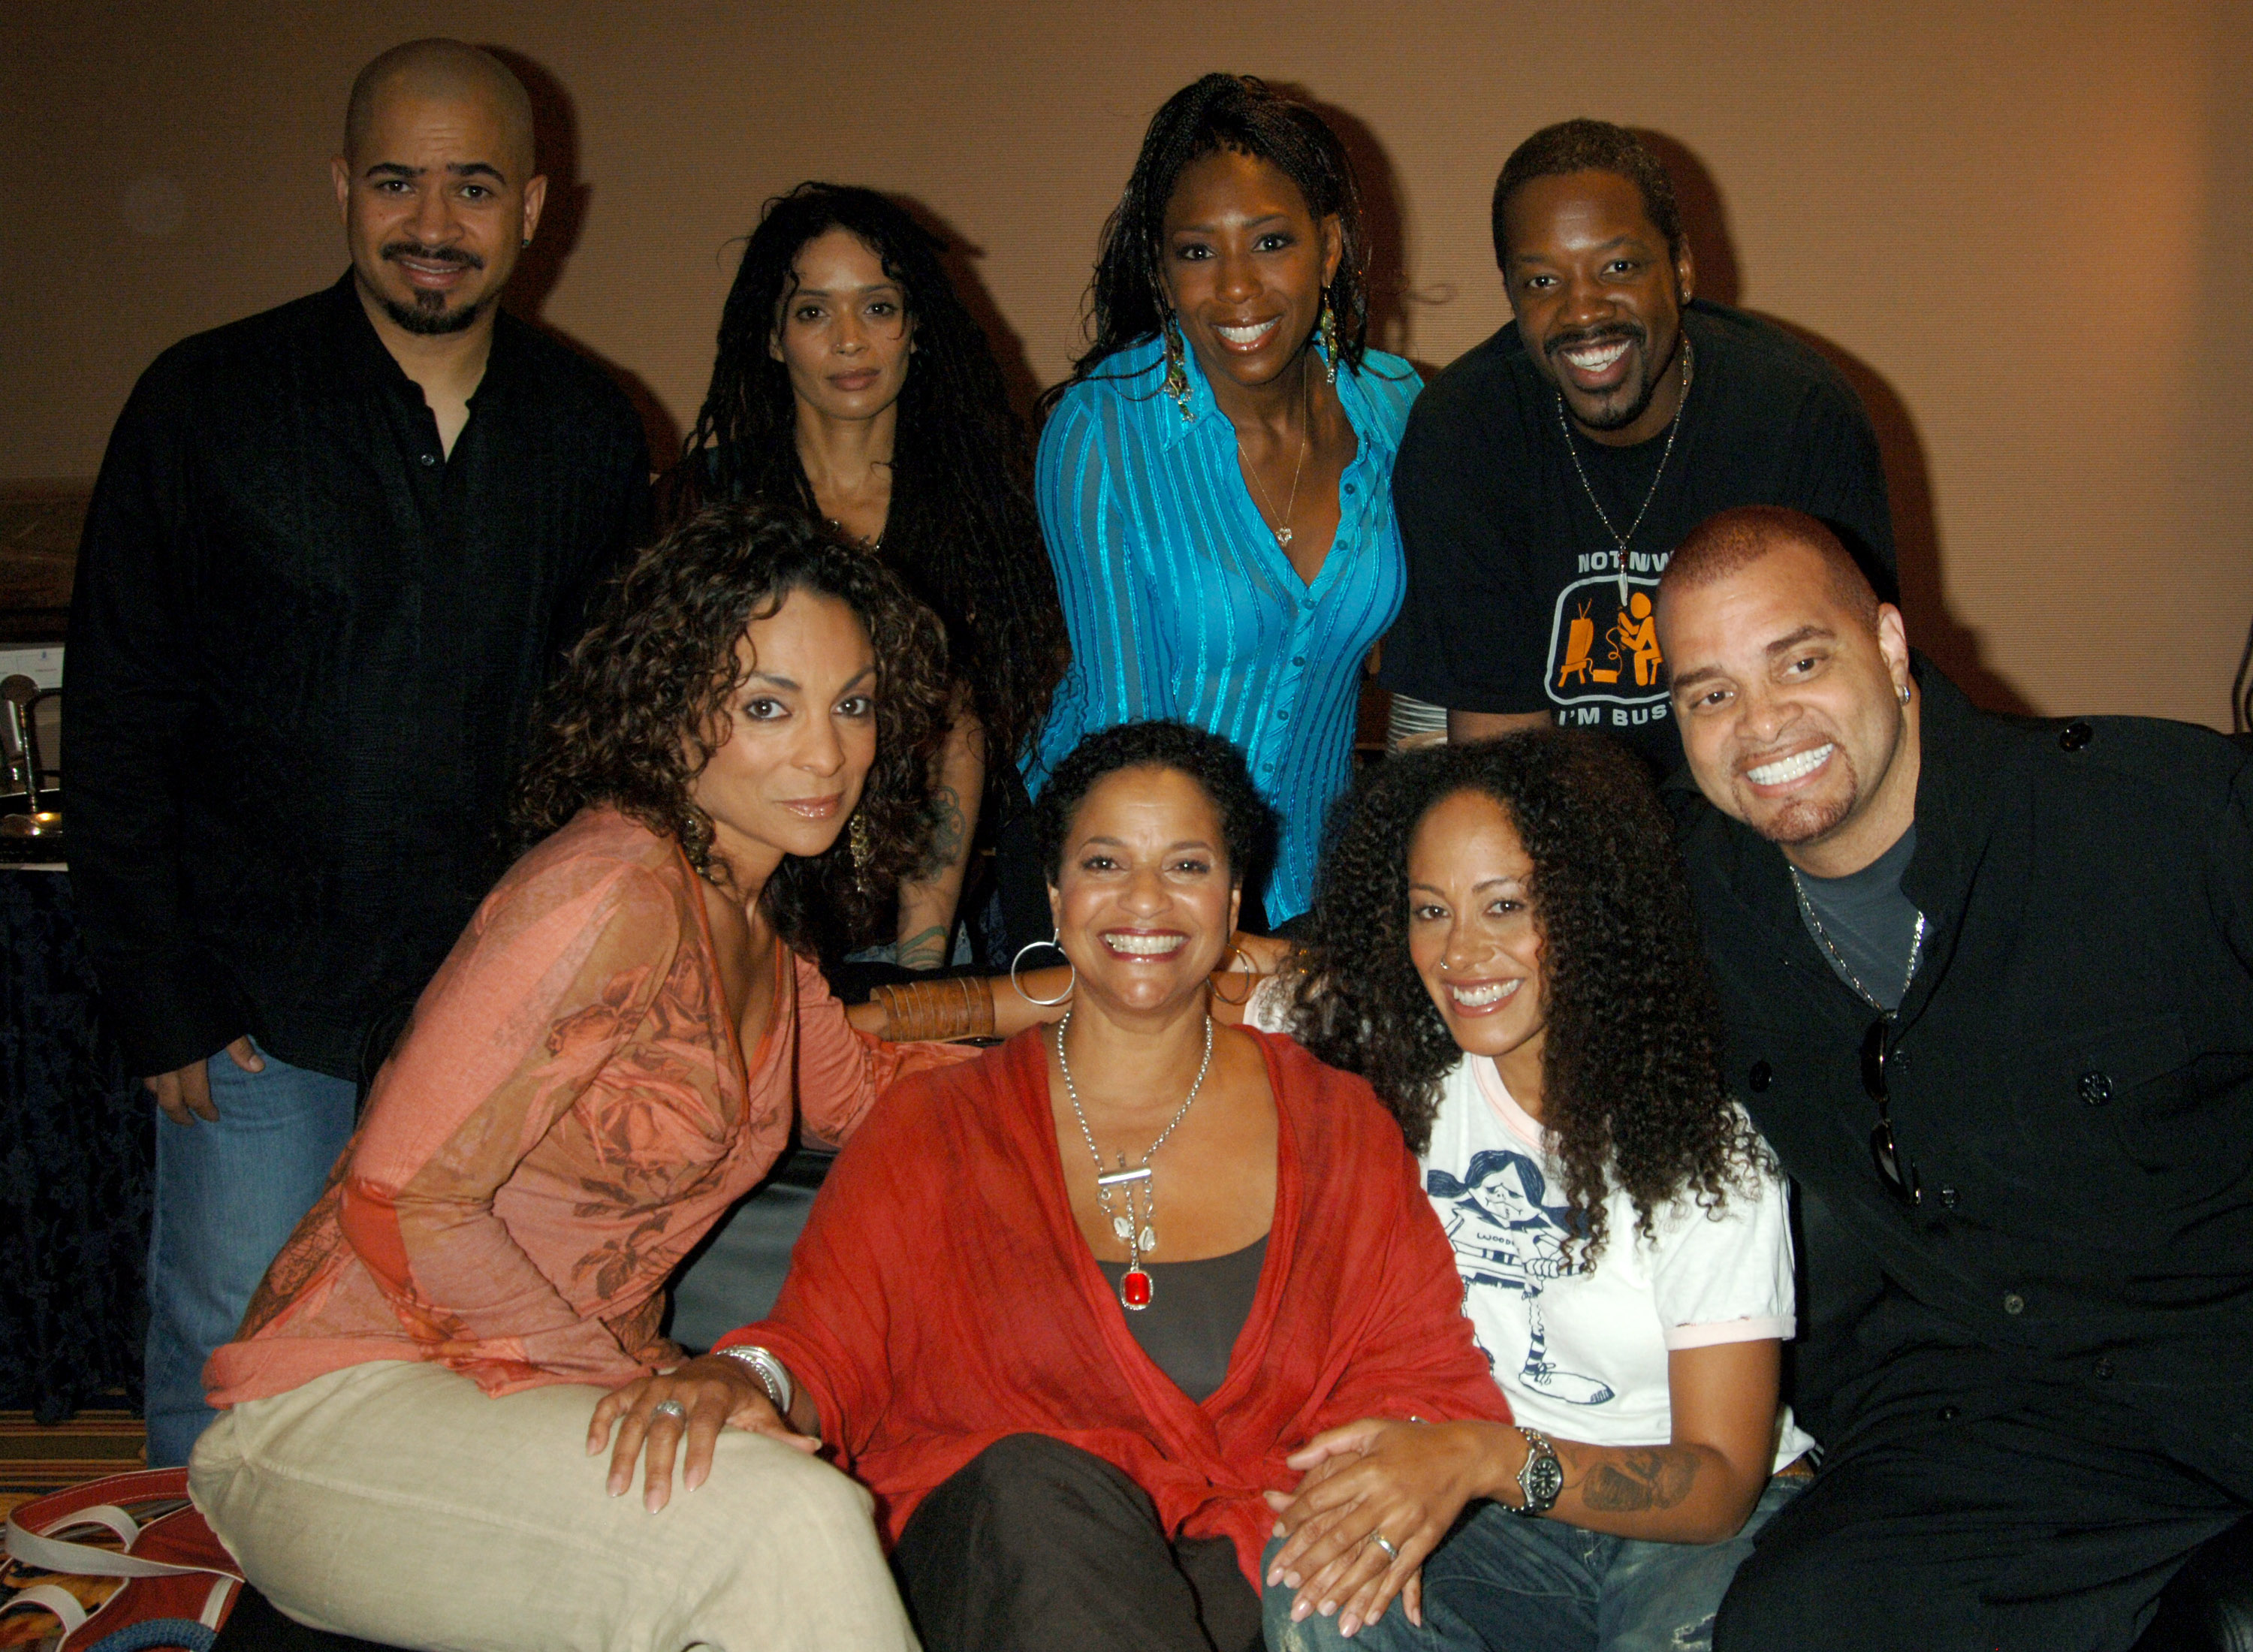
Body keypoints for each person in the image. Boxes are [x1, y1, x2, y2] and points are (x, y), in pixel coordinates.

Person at [185, 505, 1030, 1650]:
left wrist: (1123, 1027)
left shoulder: (751, 907)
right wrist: (626, 1379)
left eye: (855, 704)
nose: (828, 754)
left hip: (524, 1392)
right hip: (340, 1408)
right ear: (676, 706)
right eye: (768, 707)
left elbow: (872, 1090)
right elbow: (403, 1192)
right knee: (787, 1522)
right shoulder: (608, 891)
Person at [589, 720, 1508, 1652]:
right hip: (1001, 1569)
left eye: (1187, 866)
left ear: (1235, 904)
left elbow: (1421, 1370)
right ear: (1056, 898)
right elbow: (824, 1349)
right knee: (1033, 1485)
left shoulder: (1334, 1122)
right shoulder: (935, 1126)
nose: (1144, 900)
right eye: (1105, 863)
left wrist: (1398, 1477)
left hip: (1249, 1570)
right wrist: (737, 1376)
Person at [64, 39, 651, 1466]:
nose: (432, 224)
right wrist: (164, 998)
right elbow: (121, 711)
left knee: (461, 1388)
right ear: (342, 188)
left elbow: (617, 742)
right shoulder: (207, 406)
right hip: (264, 1022)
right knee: (232, 1380)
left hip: (499, 1027)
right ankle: (182, 1615)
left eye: (470, 187)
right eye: (397, 182)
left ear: (533, 207)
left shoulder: (589, 433)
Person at [1652, 505, 2253, 1650]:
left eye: (1801, 660)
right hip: (2003, 1425)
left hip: (2225, 1368)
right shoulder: (1695, 894)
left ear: (1889, 644)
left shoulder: (2159, 818)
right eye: (1709, 694)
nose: (1762, 724)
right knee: (1791, 1629)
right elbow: (1484, 893)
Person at [1256, 734, 1812, 1650]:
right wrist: (943, 1008)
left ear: (1592, 913)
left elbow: (1718, 1482)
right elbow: (1168, 967)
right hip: (1496, 1522)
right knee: (1319, 1597)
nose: (1462, 954)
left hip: (1692, 1528)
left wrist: (1484, 1455)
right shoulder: (1393, 1072)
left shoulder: (1699, 1142)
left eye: (1506, 906)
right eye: (1430, 911)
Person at [1380, 118, 1894, 776]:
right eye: (1542, 282)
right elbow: (1504, 768)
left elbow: (1857, 698)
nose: (1583, 311)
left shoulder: (1797, 417)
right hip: (1567, 833)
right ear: (1509, 293)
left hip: (1765, 801)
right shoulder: (1468, 435)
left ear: (1681, 270)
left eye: (1618, 267)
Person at [1031, 74, 1420, 930]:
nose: (1237, 288)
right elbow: (1121, 735)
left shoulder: (1398, 410)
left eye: (1271, 242)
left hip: (1318, 897)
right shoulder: (1103, 434)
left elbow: (1433, 660)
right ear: (1161, 273)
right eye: (1198, 252)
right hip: (1120, 884)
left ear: (1330, 249)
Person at [676, 182, 1066, 969]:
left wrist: (920, 963)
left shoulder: (983, 508)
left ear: (915, 328)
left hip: (920, 925)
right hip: (731, 927)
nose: (849, 340)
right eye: (814, 311)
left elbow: (958, 729)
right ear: (776, 336)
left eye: (879, 307)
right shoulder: (708, 499)